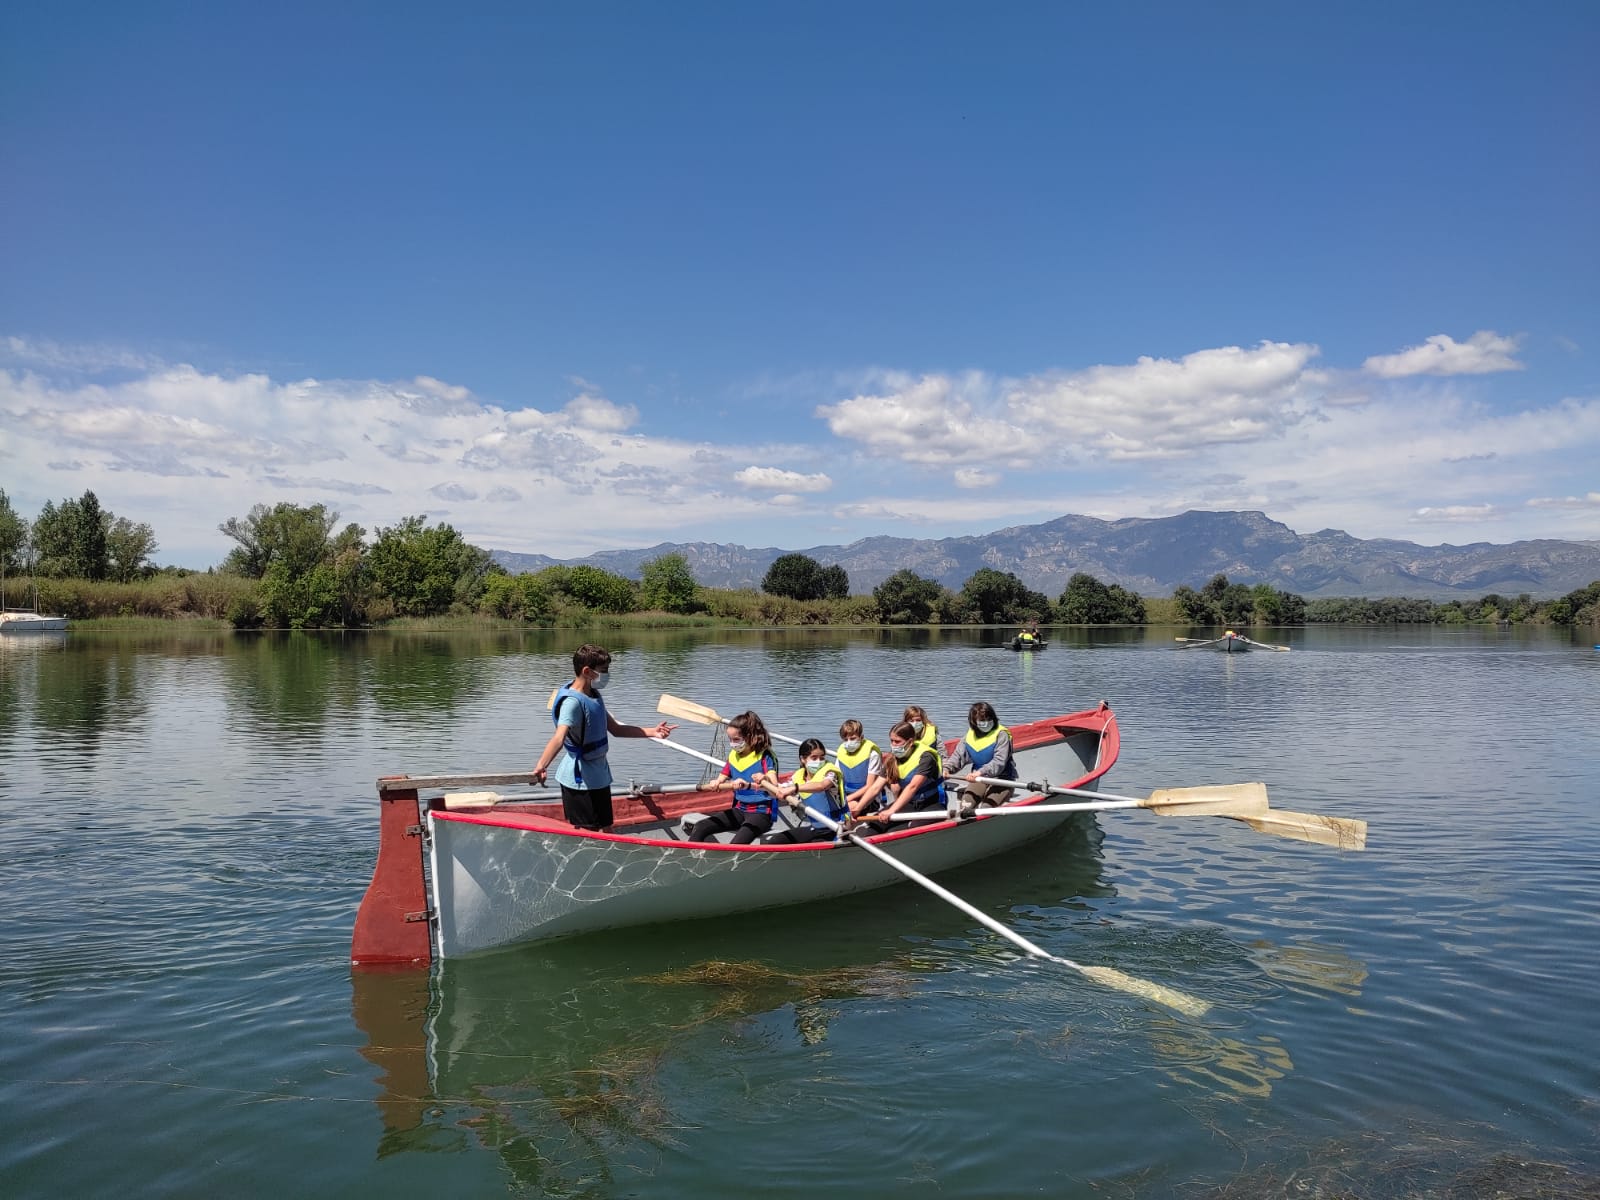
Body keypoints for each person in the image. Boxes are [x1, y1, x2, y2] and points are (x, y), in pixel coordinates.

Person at [531, 644, 675, 831]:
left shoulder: (592, 695)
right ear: (587, 671)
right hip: (579, 780)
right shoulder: (572, 703)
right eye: (604, 670)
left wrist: (652, 732)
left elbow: (615, 729)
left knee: (606, 828)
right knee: (586, 833)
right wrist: (541, 766)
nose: (607, 675)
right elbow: (559, 738)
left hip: (598, 775)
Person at [687, 711, 783, 844]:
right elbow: (723, 775)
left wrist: (764, 779)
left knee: (736, 843)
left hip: (761, 813)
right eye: (730, 739)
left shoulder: (765, 756)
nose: (732, 744)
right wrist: (717, 782)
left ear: (751, 737)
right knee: (700, 826)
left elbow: (774, 788)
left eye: (736, 740)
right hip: (739, 810)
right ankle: (691, 858)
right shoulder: (734, 755)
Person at [942, 701, 1018, 818]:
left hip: (1002, 778)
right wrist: (947, 769)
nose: (986, 723)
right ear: (974, 722)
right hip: (979, 779)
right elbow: (958, 757)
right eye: (982, 721)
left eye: (989, 719)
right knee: (965, 806)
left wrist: (980, 772)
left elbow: (999, 762)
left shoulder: (1001, 734)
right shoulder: (969, 737)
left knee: (986, 808)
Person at [764, 738, 847, 844]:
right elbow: (779, 791)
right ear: (803, 759)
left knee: (813, 844)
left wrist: (795, 788)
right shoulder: (799, 776)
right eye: (814, 758)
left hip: (835, 827)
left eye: (822, 758)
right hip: (815, 827)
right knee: (776, 841)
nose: (819, 761)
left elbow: (822, 786)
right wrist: (757, 784)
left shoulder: (830, 773)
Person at [870, 720, 946, 825]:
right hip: (909, 803)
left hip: (932, 803)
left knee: (909, 827)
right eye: (892, 741)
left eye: (897, 741)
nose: (893, 745)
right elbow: (875, 788)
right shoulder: (892, 759)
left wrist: (892, 811)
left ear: (910, 742)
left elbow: (913, 787)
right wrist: (857, 809)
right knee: (873, 824)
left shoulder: (926, 757)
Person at [835, 718, 889, 820]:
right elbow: (837, 779)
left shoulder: (872, 754)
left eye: (853, 738)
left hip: (868, 797)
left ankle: (842, 830)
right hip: (846, 794)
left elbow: (870, 786)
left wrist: (846, 800)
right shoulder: (841, 752)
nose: (849, 742)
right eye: (846, 740)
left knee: (848, 807)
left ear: (861, 737)